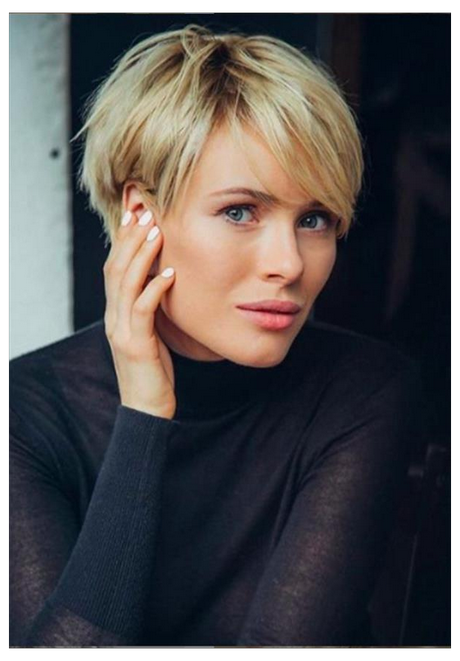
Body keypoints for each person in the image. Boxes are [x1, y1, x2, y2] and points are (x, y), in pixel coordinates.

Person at [9, 24, 425, 647]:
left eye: (314, 219)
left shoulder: (364, 393)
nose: (289, 263)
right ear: (141, 217)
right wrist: (144, 414)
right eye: (240, 211)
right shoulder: (26, 411)